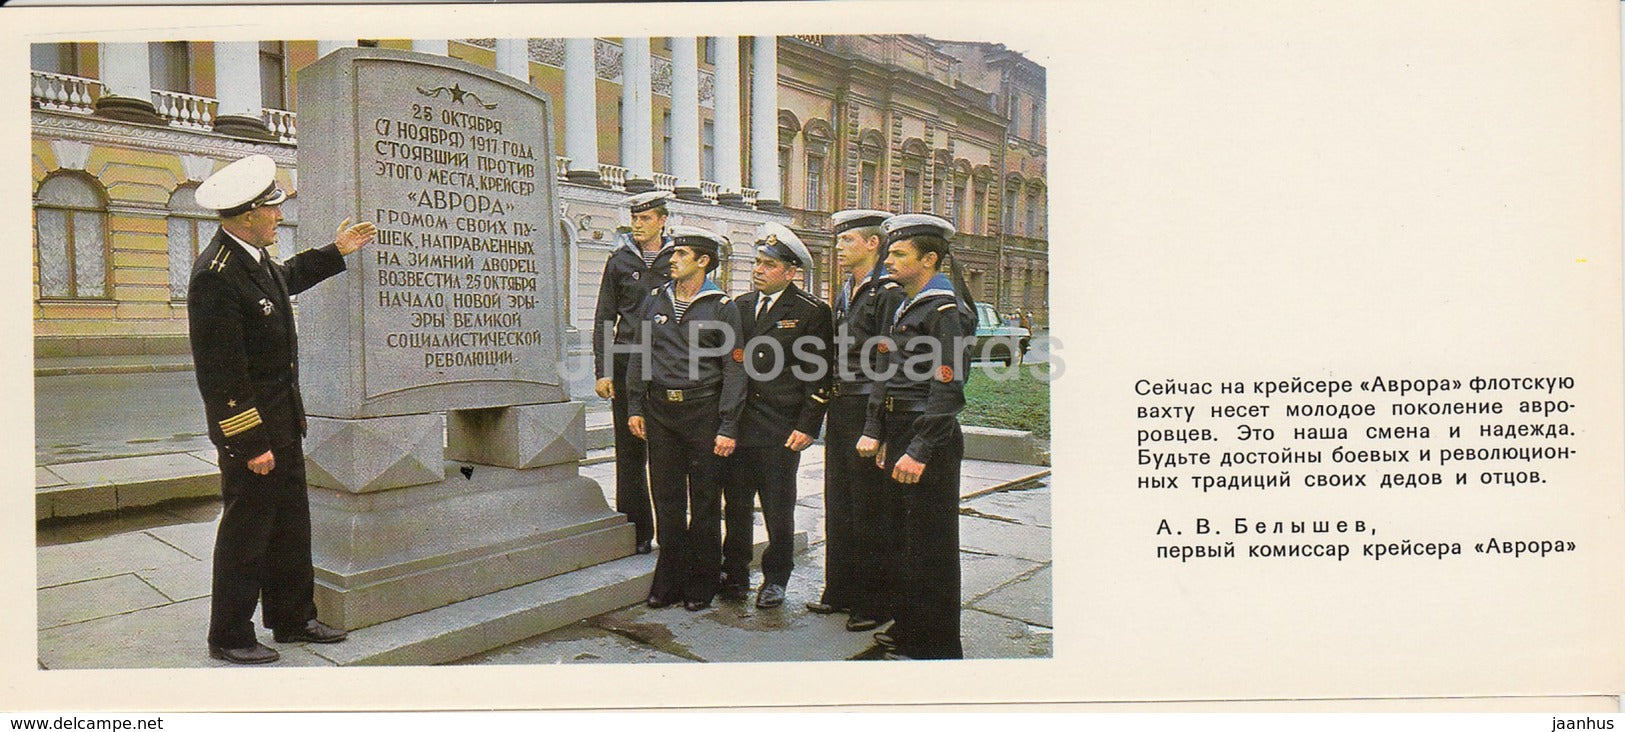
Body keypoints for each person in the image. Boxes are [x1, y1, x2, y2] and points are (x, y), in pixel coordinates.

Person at [187, 154, 376, 664]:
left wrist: (336, 251)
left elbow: (286, 278)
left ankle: (292, 618)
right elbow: (221, 374)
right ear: (248, 214)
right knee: (247, 532)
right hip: (255, 434)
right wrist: (250, 443)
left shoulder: (252, 259)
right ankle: (228, 634)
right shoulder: (216, 274)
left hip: (283, 423)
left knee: (291, 525)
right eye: (272, 209)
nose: (278, 216)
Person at [858, 213, 975, 660]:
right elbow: (888, 372)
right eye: (887, 252)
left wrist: (920, 449)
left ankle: (937, 645)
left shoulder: (946, 310)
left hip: (930, 435)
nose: (887, 260)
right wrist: (885, 433)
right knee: (906, 540)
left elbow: (947, 388)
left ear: (928, 260)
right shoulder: (908, 302)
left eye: (898, 254)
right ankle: (911, 626)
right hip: (903, 429)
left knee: (931, 545)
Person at [626, 226, 745, 611]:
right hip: (661, 412)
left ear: (703, 261)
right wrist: (634, 406)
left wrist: (727, 425)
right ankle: (669, 578)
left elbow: (734, 370)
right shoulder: (655, 300)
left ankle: (702, 581)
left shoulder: (722, 307)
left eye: (681, 255)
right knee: (668, 499)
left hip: (703, 412)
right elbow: (639, 355)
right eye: (672, 254)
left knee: (706, 500)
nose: (671, 259)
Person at [719, 223, 833, 608]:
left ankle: (776, 578)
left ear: (790, 271)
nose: (757, 270)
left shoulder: (810, 312)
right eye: (756, 262)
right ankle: (734, 575)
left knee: (777, 508)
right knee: (735, 506)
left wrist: (807, 425)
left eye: (767, 264)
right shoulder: (739, 307)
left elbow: (818, 373)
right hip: (739, 427)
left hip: (779, 429)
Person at [806, 208, 907, 633]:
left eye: (848, 241)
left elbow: (888, 361)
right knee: (841, 502)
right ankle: (841, 590)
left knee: (870, 508)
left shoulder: (886, 293)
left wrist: (876, 427)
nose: (839, 248)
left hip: (869, 407)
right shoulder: (847, 291)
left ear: (872, 244)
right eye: (839, 241)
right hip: (843, 406)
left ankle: (875, 601)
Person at [592, 190, 676, 555]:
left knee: (666, 450)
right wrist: (603, 369)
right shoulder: (619, 261)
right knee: (629, 451)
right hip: (627, 363)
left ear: (661, 220)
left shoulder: (678, 257)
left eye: (645, 219)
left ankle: (672, 533)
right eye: (635, 219)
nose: (638, 225)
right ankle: (636, 530)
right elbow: (604, 317)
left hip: (665, 364)